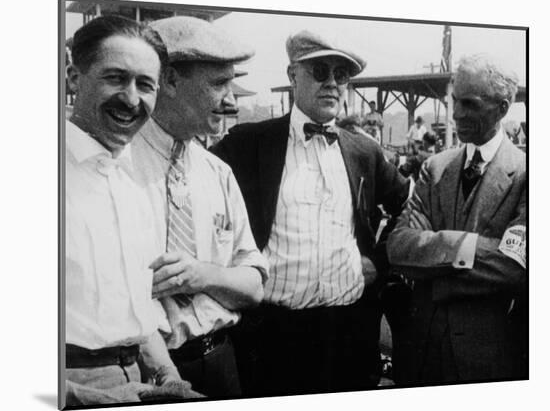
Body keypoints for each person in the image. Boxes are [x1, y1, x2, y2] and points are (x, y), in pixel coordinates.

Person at [211, 29, 409, 396]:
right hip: (274, 335)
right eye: (320, 71)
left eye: (342, 75)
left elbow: (410, 206)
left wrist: (379, 262)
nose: (332, 83)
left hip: (349, 330)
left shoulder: (363, 152)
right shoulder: (248, 144)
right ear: (292, 76)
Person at [64, 15, 202, 406]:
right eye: (115, 78)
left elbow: (136, 315)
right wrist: (73, 393)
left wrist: (169, 377)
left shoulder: (135, 182)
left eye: (145, 85)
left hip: (140, 379)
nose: (131, 98)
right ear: (74, 78)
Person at [130, 16, 268, 398]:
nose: (230, 99)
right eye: (219, 84)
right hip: (148, 375)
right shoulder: (119, 166)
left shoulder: (217, 172)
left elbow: (255, 285)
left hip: (222, 362)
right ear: (170, 81)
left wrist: (201, 276)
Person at [387, 54, 526, 386]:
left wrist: (433, 268)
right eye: (454, 100)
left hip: (489, 359)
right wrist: (469, 251)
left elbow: (515, 267)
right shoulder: (435, 168)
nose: (456, 113)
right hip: (419, 352)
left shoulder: (528, 174)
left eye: (470, 103)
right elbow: (398, 246)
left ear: (503, 108)